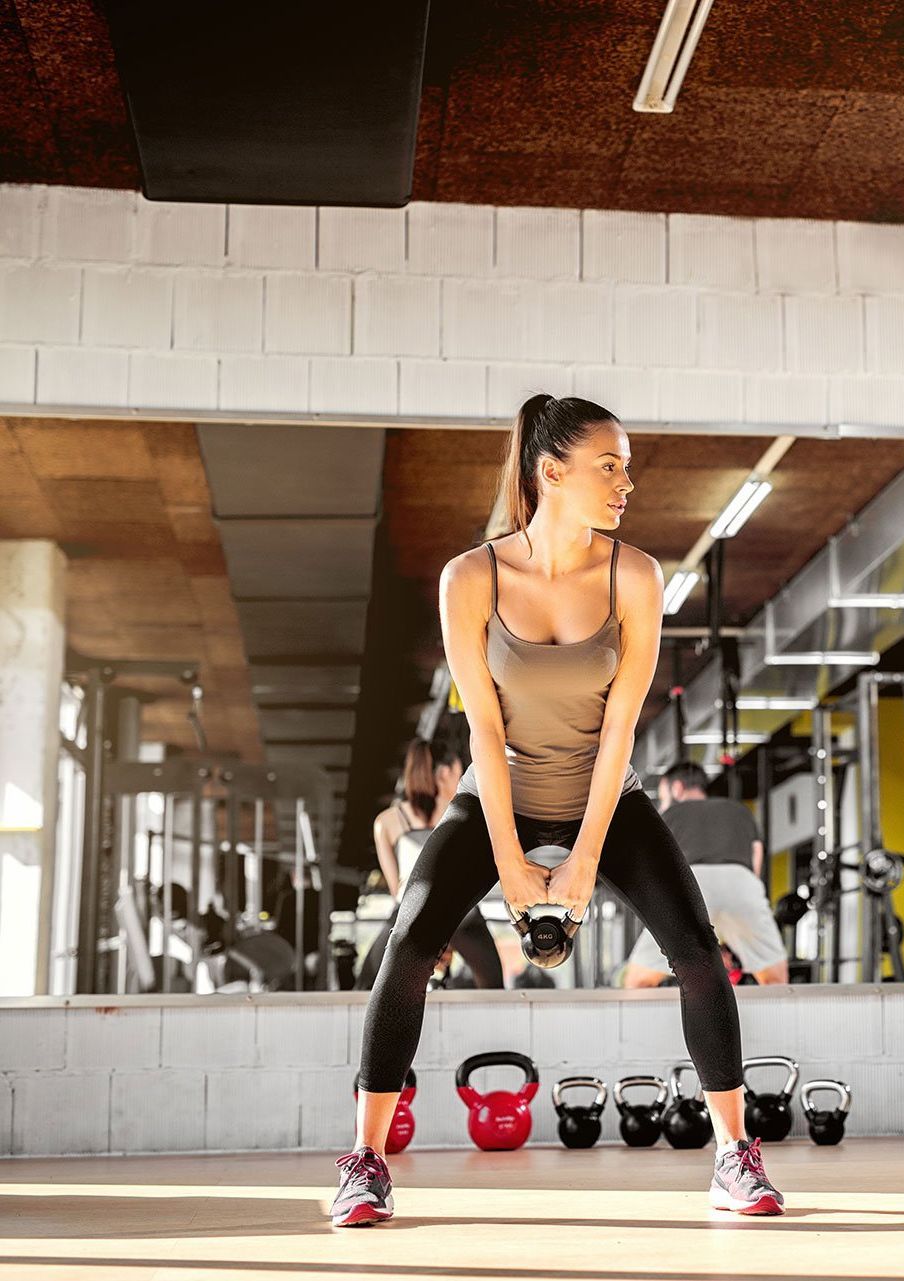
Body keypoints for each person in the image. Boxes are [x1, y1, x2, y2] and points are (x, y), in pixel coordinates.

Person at [333, 395, 785, 1226]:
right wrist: (509, 860)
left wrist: (583, 857)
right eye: (608, 466)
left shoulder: (635, 574)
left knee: (693, 945)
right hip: (495, 792)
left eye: (628, 467)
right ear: (550, 472)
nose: (626, 484)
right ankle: (365, 1160)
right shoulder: (470, 577)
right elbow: (485, 728)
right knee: (409, 937)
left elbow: (620, 728)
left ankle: (734, 1155)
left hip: (606, 796)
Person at [621, 762, 790, 988]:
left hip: (689, 886)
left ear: (677, 788)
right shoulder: (739, 810)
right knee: (775, 981)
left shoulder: (668, 814)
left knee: (639, 982)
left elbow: (652, 868)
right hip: (741, 884)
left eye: (663, 796)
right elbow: (756, 859)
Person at [356, 739, 502, 990]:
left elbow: (397, 890)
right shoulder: (470, 818)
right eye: (459, 773)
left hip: (413, 912)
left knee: (367, 982)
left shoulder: (388, 822)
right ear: (445, 774)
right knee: (493, 986)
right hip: (462, 915)